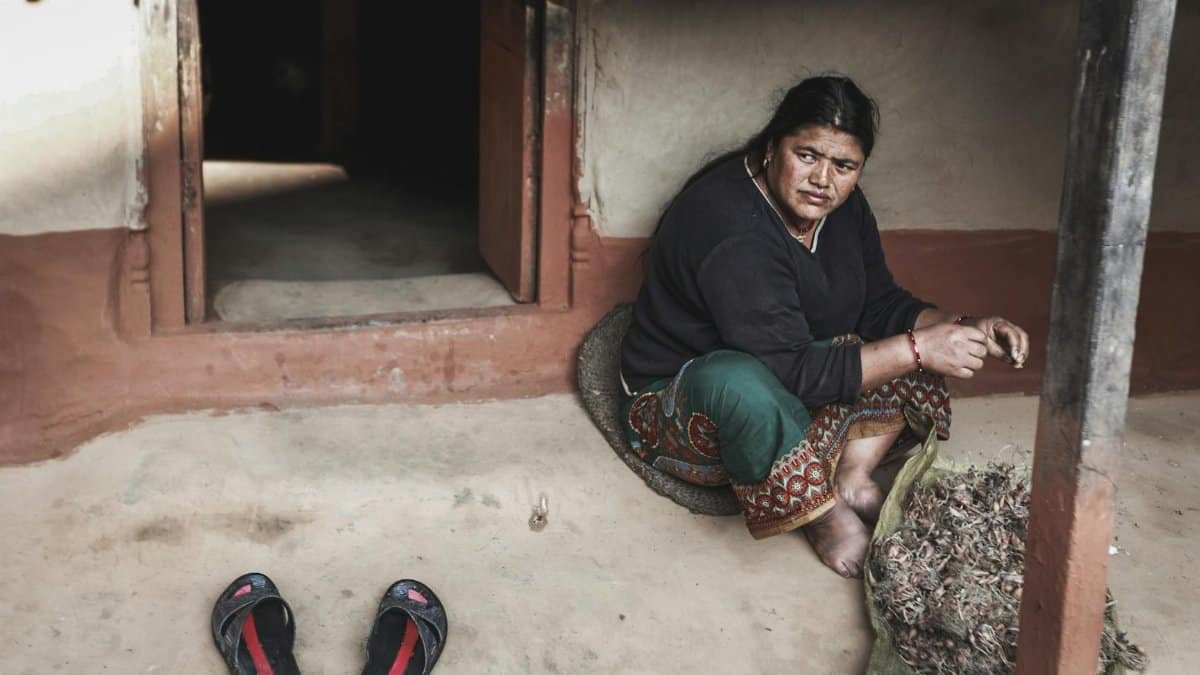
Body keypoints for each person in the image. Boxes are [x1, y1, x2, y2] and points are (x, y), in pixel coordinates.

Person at [618, 75, 1030, 578]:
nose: (823, 180)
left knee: (908, 347)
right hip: (686, 394)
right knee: (741, 384)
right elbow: (793, 371)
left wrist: (964, 326)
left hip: (789, 361)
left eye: (844, 166)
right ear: (772, 149)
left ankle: (852, 476)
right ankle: (822, 513)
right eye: (807, 155)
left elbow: (880, 304)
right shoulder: (730, 229)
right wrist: (917, 348)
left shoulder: (844, 206)